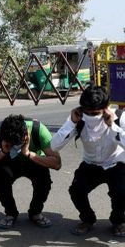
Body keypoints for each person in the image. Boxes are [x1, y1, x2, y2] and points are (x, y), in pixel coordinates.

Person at [51, 84, 125, 237]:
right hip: (91, 164)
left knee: (122, 193)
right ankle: (88, 219)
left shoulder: (120, 117)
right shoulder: (78, 118)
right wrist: (71, 122)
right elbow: (54, 146)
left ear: (106, 108)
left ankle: (118, 221)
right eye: (88, 113)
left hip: (116, 163)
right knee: (76, 191)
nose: (91, 117)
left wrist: (112, 125)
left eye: (95, 113)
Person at [0, 114, 61, 229]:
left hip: (33, 159)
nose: (15, 147)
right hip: (8, 160)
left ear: (26, 133)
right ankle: (10, 213)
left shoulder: (39, 129)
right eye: (11, 144)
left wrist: (28, 153)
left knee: (44, 182)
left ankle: (35, 212)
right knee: (0, 182)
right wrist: (3, 151)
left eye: (18, 143)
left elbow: (57, 163)